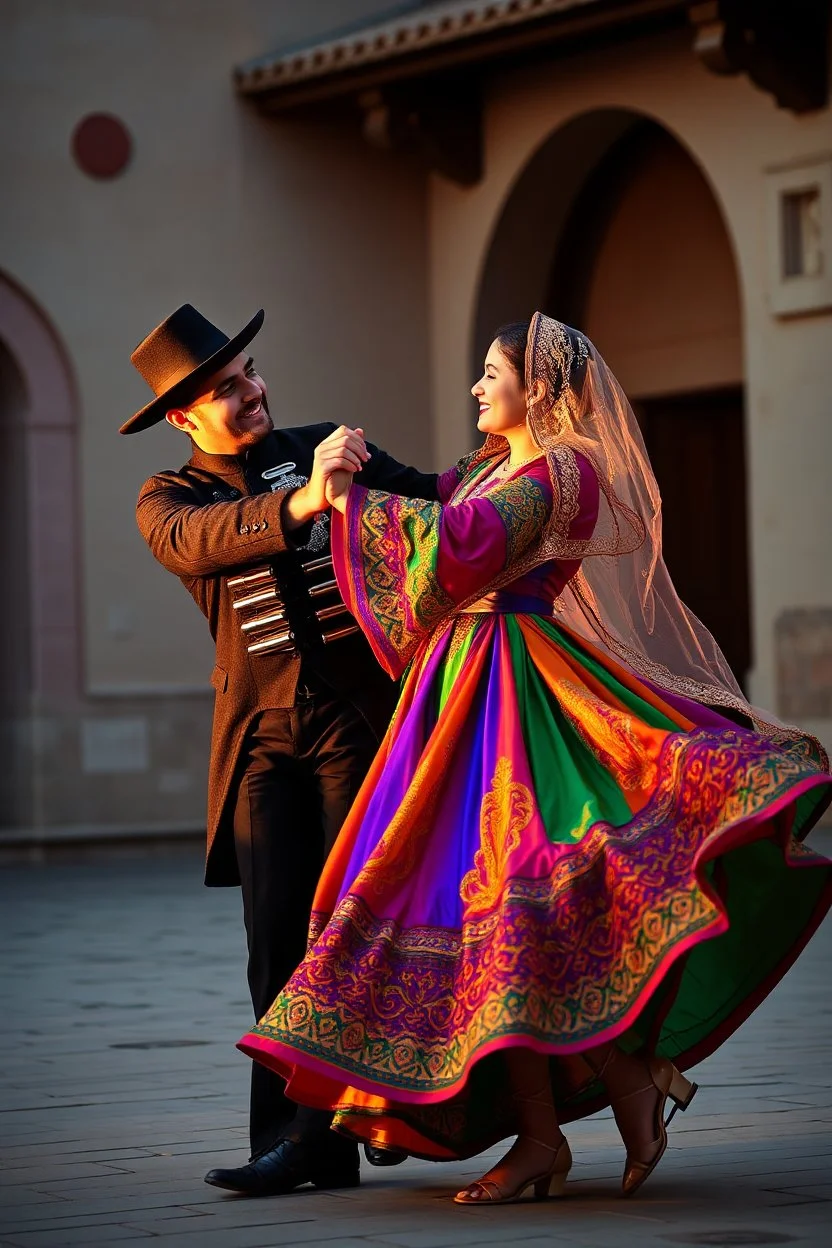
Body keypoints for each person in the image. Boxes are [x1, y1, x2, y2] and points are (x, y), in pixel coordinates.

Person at [238, 312, 832, 1204]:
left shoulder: (565, 470)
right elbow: (440, 508)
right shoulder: (488, 467)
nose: (477, 388)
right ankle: (618, 1101)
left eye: (491, 373)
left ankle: (564, 1130)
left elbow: (458, 551)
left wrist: (347, 498)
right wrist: (338, 468)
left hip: (517, 695)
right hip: (464, 696)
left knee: (513, 903)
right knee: (499, 907)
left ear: (539, 390)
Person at [125, 303, 438, 1195]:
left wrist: (531, 458)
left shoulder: (327, 443)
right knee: (276, 948)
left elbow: (439, 499)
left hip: (355, 725)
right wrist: (303, 501)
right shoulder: (167, 497)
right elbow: (199, 545)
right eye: (227, 389)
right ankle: (300, 1142)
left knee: (360, 929)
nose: (252, 391)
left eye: (250, 372)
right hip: (260, 741)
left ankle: (377, 1110)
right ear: (185, 417)